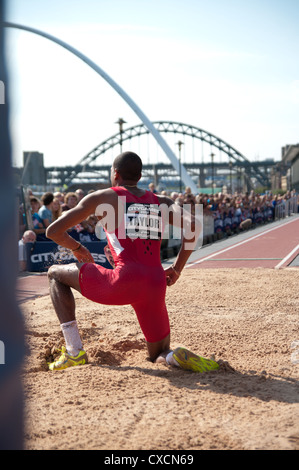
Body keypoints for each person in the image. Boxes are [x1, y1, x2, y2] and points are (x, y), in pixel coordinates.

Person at [45, 151, 219, 373]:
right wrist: (176, 269)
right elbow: (193, 226)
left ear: (115, 174)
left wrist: (78, 249)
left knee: (54, 274)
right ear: (139, 175)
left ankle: (73, 352)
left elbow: (53, 231)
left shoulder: (103, 198)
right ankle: (174, 357)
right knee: (158, 352)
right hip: (155, 283)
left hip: (123, 280)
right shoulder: (161, 202)